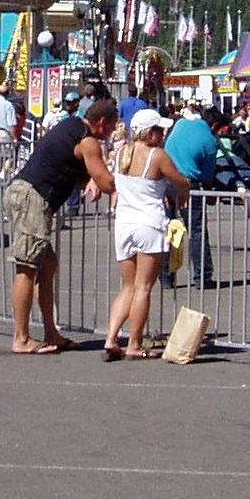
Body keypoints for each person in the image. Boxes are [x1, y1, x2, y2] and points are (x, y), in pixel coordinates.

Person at [3, 98, 118, 354]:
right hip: (33, 196)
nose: (111, 134)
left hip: (25, 193)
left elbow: (66, 167)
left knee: (47, 263)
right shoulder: (88, 140)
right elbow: (104, 179)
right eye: (111, 127)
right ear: (102, 122)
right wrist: (128, 189)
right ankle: (21, 338)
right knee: (27, 266)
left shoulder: (71, 127)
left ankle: (51, 333)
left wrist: (88, 181)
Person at [105, 108, 189, 361]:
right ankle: (134, 343)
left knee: (128, 286)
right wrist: (183, 192)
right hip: (149, 223)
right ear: (150, 133)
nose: (163, 134)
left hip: (124, 224)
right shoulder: (157, 155)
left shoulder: (121, 153)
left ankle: (111, 337)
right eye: (159, 130)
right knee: (143, 288)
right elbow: (181, 181)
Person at [160, 105, 220, 289]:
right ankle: (202, 276)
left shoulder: (181, 125)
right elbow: (208, 176)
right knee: (197, 231)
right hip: (187, 184)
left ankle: (166, 276)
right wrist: (210, 196)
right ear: (215, 125)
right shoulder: (209, 141)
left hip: (168, 181)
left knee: (171, 229)